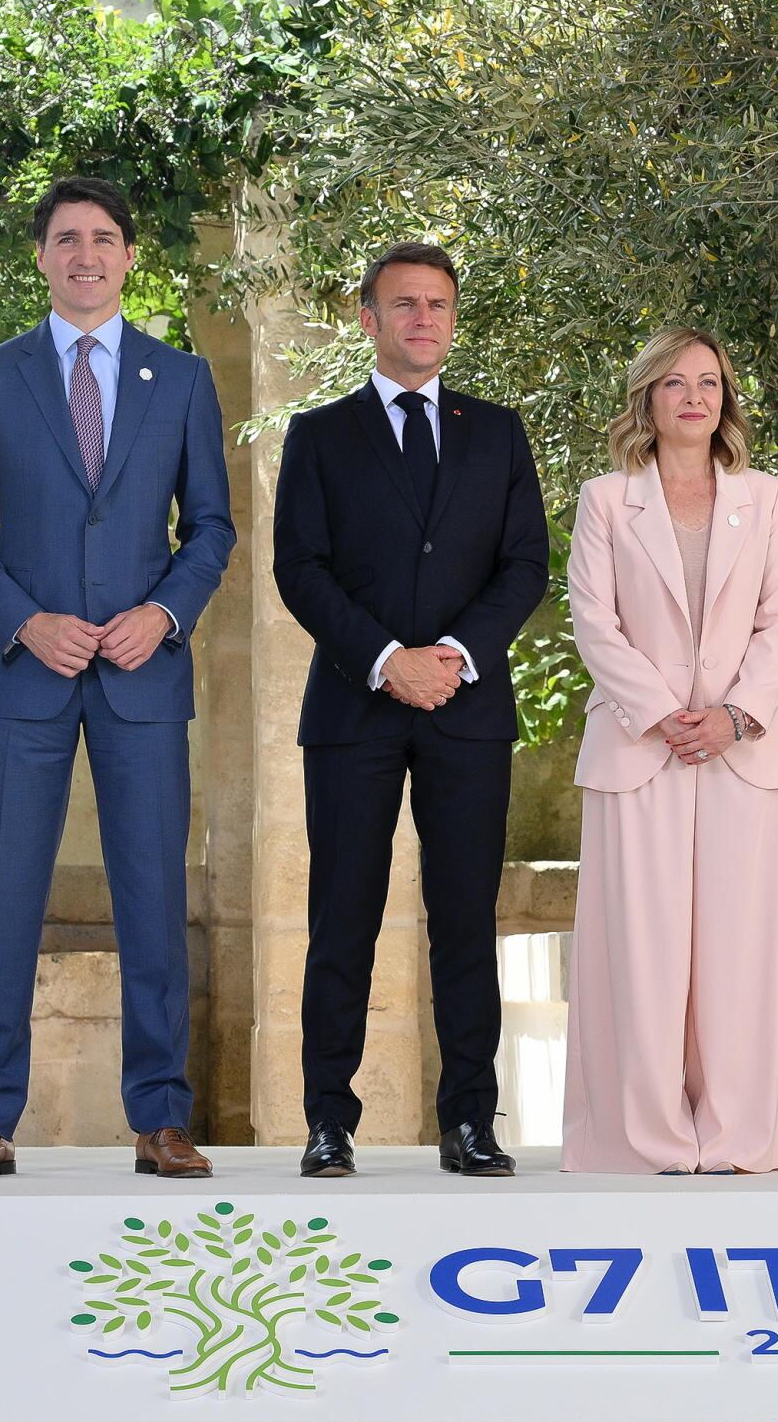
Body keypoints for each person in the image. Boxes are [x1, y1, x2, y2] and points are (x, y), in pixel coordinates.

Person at [0, 176, 236, 1181]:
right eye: (67, 239)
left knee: (153, 900)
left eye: (104, 238)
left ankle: (160, 1118)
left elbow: (214, 527)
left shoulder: (181, 378)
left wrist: (162, 613)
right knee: (7, 899)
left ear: (130, 256)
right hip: (26, 678)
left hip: (144, 678)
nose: (87, 254)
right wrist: (24, 619)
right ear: (41, 256)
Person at [273, 241, 549, 1180]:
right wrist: (388, 660)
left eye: (437, 304)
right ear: (369, 317)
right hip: (355, 709)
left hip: (468, 711)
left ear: (452, 319)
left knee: (465, 917)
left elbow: (525, 567)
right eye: (403, 304)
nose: (422, 318)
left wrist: (455, 658)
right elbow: (298, 570)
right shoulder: (318, 435)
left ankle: (470, 1118)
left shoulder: (499, 434)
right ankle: (328, 1121)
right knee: (341, 916)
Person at [562, 327, 778, 1175]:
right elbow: (594, 621)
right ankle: (645, 1138)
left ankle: (742, 1134)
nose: (694, 397)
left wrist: (735, 715)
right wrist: (667, 713)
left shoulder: (765, 498)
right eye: (675, 383)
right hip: (641, 751)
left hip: (741, 753)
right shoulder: (605, 499)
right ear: (648, 398)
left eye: (709, 381)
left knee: (739, 954)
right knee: (643, 952)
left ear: (726, 399)